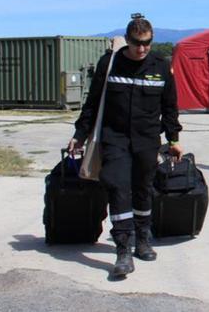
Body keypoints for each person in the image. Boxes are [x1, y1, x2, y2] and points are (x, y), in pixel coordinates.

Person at [68, 15, 183, 278]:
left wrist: (174, 139)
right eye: (136, 43)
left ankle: (142, 239)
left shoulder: (161, 67)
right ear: (128, 40)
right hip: (115, 138)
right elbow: (93, 103)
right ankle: (122, 250)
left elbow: (170, 108)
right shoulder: (110, 64)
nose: (142, 49)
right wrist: (80, 134)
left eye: (147, 43)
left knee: (143, 190)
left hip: (146, 140)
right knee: (118, 186)